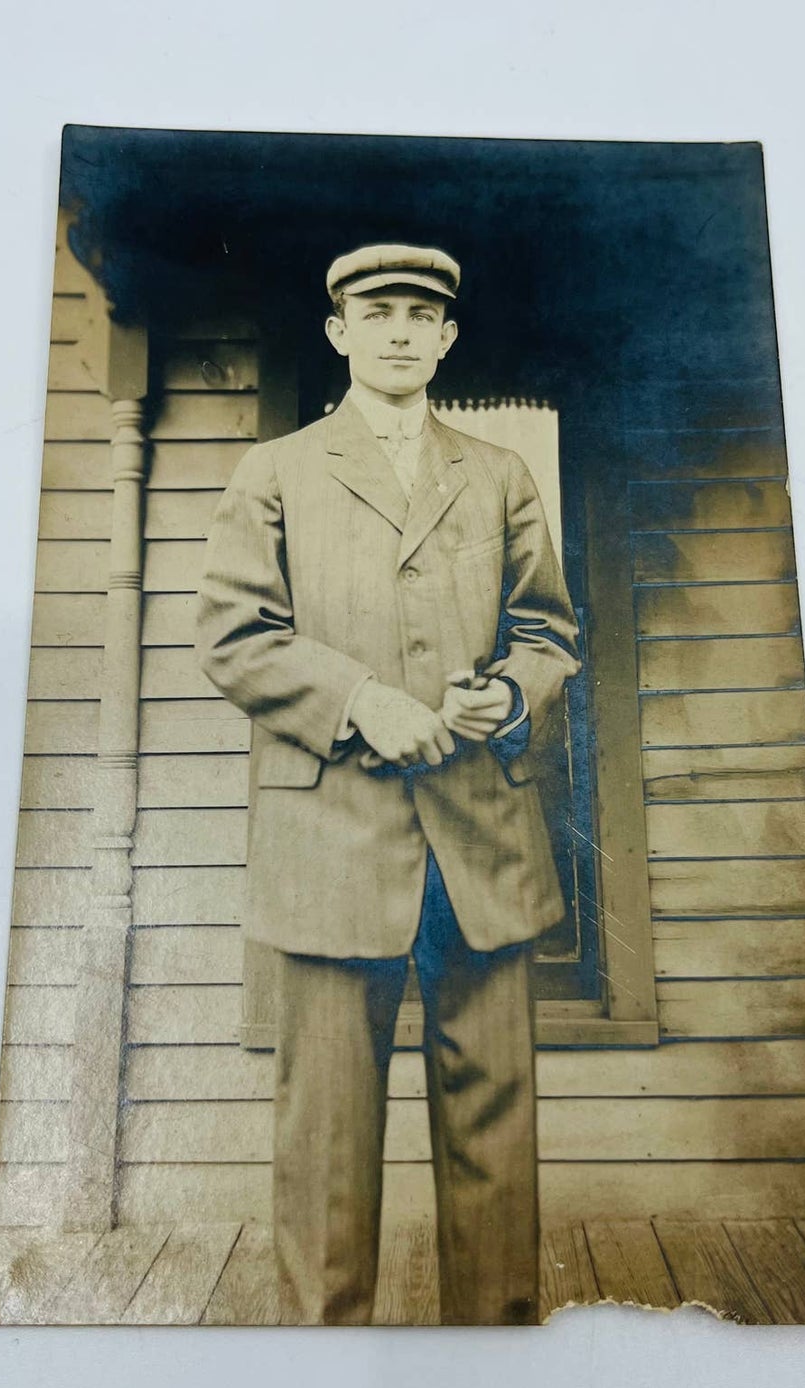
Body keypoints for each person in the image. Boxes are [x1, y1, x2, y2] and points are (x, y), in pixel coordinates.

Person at [195, 243, 580, 1325]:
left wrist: (502, 698)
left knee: (496, 1140)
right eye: (379, 312)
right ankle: (324, 1371)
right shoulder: (275, 472)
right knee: (323, 1141)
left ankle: (494, 1368)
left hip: (480, 845)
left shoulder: (497, 473)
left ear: (448, 338)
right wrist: (364, 700)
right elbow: (231, 635)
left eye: (422, 313)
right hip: (332, 848)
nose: (401, 330)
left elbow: (547, 632)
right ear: (340, 333)